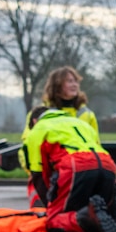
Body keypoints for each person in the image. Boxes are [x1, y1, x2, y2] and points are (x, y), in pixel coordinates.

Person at [21, 106, 116, 232]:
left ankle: (88, 217)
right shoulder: (80, 123)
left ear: (34, 120)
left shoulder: (38, 130)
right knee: (98, 208)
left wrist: (50, 205)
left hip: (75, 165)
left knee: (53, 221)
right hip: (106, 163)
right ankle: (112, 211)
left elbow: (38, 175)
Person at [21, 66, 98, 207]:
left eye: (76, 81)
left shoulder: (86, 114)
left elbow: (96, 144)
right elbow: (28, 144)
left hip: (79, 169)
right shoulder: (39, 114)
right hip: (50, 170)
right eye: (69, 81)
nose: (75, 84)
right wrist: (35, 172)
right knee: (44, 210)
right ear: (57, 85)